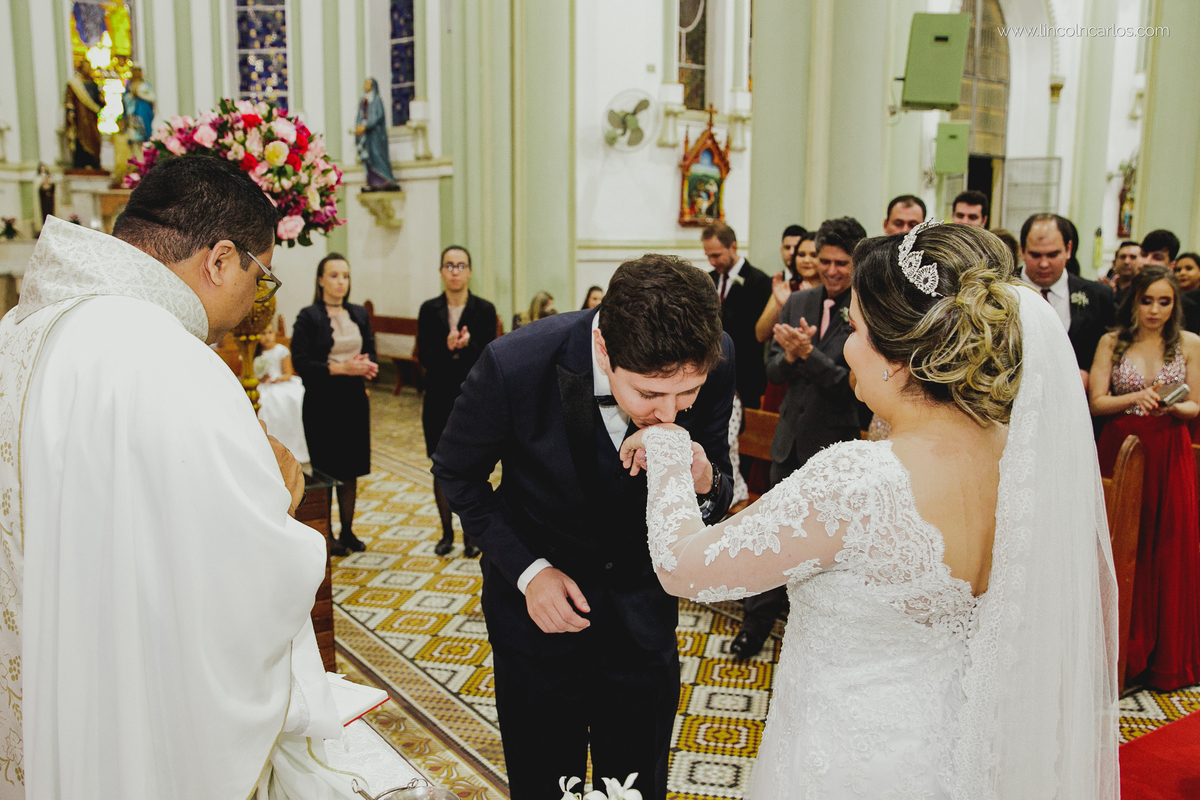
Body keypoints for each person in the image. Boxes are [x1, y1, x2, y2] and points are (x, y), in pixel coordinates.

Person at [626, 221, 1118, 798]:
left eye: (855, 328)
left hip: (845, 760)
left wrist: (664, 451)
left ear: (899, 358)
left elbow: (683, 566)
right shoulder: (1015, 452)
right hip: (955, 753)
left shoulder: (858, 482)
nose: (846, 345)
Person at [0, 155, 358, 797]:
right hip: (118, 724)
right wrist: (277, 497)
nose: (256, 302)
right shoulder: (165, 358)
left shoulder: (17, 333)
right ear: (221, 260)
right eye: (263, 279)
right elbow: (233, 585)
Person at [431, 255, 736, 800]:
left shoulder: (715, 357)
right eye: (649, 394)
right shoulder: (515, 363)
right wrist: (530, 572)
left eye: (686, 395)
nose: (670, 414)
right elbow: (457, 472)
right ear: (603, 351)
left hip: (643, 623)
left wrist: (702, 475)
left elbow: (718, 490)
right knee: (546, 784)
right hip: (537, 627)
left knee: (639, 787)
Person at [730, 217, 868, 660]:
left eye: (841, 263)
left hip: (834, 443)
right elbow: (772, 370)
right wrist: (789, 355)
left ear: (856, 262)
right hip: (788, 441)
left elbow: (854, 383)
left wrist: (809, 356)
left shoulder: (867, 310)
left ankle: (820, 632)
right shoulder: (800, 301)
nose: (830, 271)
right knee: (774, 536)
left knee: (827, 545)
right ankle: (756, 624)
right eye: (824, 261)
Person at [1089, 265, 1200, 691]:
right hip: (1122, 443)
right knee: (1119, 546)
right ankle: (1116, 654)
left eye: (1164, 301)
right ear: (1134, 300)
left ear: (1175, 305)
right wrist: (1138, 396)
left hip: (1170, 449)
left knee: (1166, 544)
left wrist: (1175, 407)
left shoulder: (1188, 344)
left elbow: (1195, 406)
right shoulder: (1111, 342)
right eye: (1147, 300)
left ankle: (1163, 658)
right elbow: (1098, 402)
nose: (1155, 310)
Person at [292, 253, 379, 557]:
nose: (341, 281)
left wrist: (367, 367)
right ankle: (326, 534)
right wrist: (343, 368)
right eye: (334, 275)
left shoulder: (358, 313)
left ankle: (348, 530)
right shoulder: (308, 316)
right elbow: (301, 363)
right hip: (322, 403)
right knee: (326, 470)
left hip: (353, 401)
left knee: (351, 470)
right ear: (320, 280)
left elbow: (371, 351)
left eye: (345, 275)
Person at [418, 245, 498, 558]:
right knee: (440, 469)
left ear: (470, 272)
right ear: (441, 271)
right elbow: (424, 356)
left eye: (461, 265)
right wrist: (446, 345)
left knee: (472, 470)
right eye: (449, 265)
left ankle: (471, 537)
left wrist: (467, 345)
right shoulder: (429, 309)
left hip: (472, 402)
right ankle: (447, 534)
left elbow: (492, 357)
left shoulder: (484, 309)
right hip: (438, 400)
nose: (455, 271)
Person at [1018, 213, 1114, 388]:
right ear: (1022, 250)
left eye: (1053, 254)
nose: (1044, 264)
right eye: (1036, 255)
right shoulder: (1000, 290)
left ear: (1068, 250)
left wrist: (1091, 376)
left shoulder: (1099, 296)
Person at [703, 222, 772, 409]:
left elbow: (753, 332)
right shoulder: (708, 279)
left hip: (746, 374)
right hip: (712, 374)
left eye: (716, 255)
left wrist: (718, 308)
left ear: (733, 246)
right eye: (708, 256)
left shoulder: (760, 282)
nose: (712, 262)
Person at [755, 226, 821, 344]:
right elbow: (760, 335)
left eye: (813, 255)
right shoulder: (785, 288)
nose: (806, 260)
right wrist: (781, 307)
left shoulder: (831, 290)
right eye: (801, 254)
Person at [255, 323, 310, 463]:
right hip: (262, 385)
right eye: (263, 333)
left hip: (280, 383)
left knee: (289, 400)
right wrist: (261, 378)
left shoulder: (281, 350)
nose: (267, 337)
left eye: (270, 332)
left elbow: (288, 374)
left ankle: (291, 443)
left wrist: (277, 379)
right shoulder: (255, 351)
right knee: (262, 402)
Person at [354, 78, 400, 191]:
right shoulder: (364, 100)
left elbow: (378, 116)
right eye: (365, 84)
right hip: (365, 136)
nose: (366, 86)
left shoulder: (376, 100)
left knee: (377, 155)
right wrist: (358, 126)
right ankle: (373, 182)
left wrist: (366, 126)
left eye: (369, 84)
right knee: (368, 157)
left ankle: (385, 179)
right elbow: (360, 115)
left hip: (375, 134)